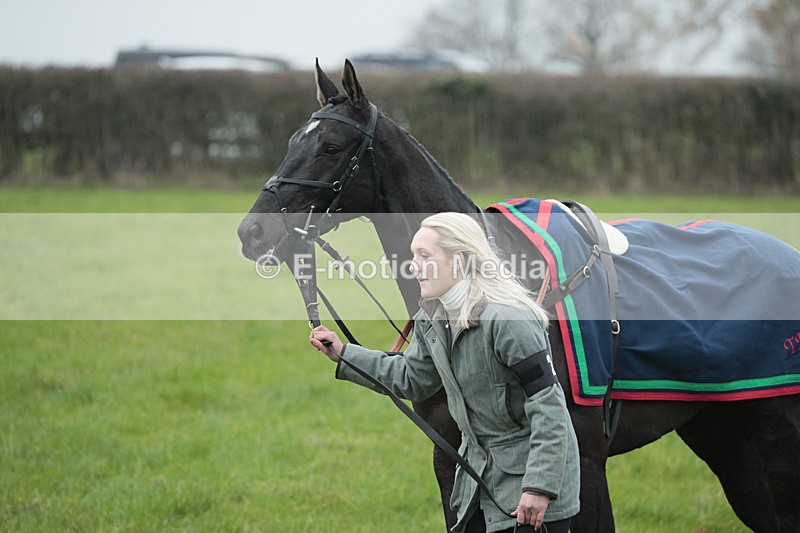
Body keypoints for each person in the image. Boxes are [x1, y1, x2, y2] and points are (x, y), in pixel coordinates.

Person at [310, 212, 580, 533]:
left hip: (532, 491)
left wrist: (539, 487)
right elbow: (412, 376)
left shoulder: (508, 319)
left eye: (425, 256)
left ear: (459, 261)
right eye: (413, 256)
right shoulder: (432, 316)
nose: (413, 266)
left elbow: (549, 405)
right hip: (477, 484)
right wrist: (343, 354)